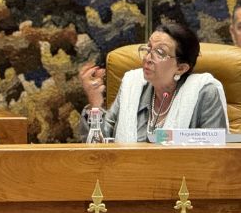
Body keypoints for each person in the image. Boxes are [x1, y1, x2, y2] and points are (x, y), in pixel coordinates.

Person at [79, 22, 228, 142]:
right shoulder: (132, 86)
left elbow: (217, 150)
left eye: (160, 52)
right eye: (149, 48)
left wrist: (165, 139)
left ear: (181, 68)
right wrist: (95, 102)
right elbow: (101, 146)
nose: (147, 58)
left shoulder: (204, 93)